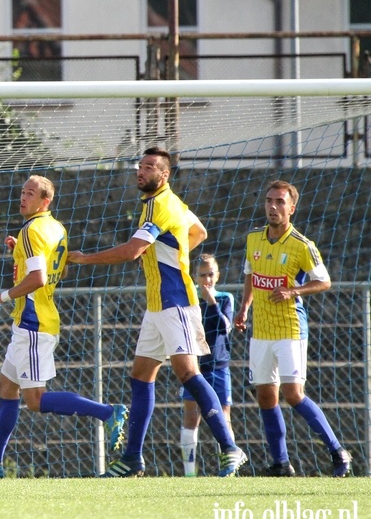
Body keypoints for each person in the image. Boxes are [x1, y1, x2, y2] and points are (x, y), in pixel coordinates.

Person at [68, 147, 247, 478]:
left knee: (188, 374)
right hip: (157, 306)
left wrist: (83, 258)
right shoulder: (170, 203)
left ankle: (230, 447)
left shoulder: (162, 205)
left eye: (150, 166)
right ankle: (133, 458)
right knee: (140, 376)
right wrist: (171, 249)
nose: (141, 170)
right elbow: (198, 233)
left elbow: (132, 250)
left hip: (176, 301)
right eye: (141, 165)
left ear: (163, 175)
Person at [0, 176, 128, 478]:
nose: (23, 198)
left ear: (45, 201)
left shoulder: (32, 230)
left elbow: (38, 279)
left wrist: (2, 296)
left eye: (30, 194)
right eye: (22, 192)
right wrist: (18, 250)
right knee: (7, 388)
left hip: (34, 324)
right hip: (34, 321)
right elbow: (59, 267)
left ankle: (108, 412)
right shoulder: (55, 228)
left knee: (35, 401)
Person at [233, 180, 351, 477]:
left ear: (291, 208)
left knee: (293, 393)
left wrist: (293, 291)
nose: (273, 207)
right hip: (261, 331)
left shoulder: (302, 246)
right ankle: (281, 463)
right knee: (265, 397)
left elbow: (324, 281)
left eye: (280, 202)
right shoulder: (253, 239)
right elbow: (250, 275)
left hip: (290, 329)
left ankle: (338, 452)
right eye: (269, 200)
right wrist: (244, 308)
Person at [179, 253, 236, 477]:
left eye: (211, 274)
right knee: (192, 415)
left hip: (219, 366)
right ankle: (190, 473)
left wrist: (211, 301)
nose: (207, 280)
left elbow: (224, 328)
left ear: (217, 275)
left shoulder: (224, 298)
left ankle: (229, 465)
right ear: (195, 276)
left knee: (223, 414)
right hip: (195, 366)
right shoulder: (189, 297)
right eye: (202, 275)